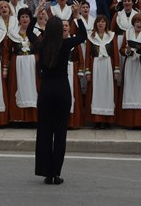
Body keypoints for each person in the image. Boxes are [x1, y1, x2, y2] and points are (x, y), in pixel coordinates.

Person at [28, 14, 88, 185]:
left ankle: (46, 172)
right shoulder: (66, 44)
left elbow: (29, 32)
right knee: (60, 133)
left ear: (47, 30)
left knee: (45, 132)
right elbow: (83, 36)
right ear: (60, 30)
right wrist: (77, 17)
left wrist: (34, 15)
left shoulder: (41, 44)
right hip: (62, 90)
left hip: (46, 91)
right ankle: (56, 173)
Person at [118, 12, 141, 128]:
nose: (139, 24)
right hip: (130, 64)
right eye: (137, 22)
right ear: (133, 22)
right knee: (129, 90)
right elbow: (122, 50)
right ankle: (129, 122)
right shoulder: (127, 32)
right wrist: (127, 50)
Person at [85, 15, 120, 129]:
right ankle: (97, 120)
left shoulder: (111, 36)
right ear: (95, 24)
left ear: (106, 24)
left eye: (103, 22)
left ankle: (107, 120)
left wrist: (116, 69)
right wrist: (88, 71)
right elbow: (87, 54)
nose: (101, 24)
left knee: (108, 91)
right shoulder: (91, 36)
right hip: (95, 65)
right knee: (96, 91)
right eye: (99, 22)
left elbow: (115, 53)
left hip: (108, 65)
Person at [7, 7, 39, 125]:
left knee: (33, 88)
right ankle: (18, 118)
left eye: (27, 17)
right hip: (18, 63)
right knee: (18, 88)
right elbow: (7, 51)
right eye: (22, 17)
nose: (25, 19)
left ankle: (33, 118)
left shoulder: (37, 33)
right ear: (19, 19)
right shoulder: (13, 34)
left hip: (32, 63)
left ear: (30, 19)